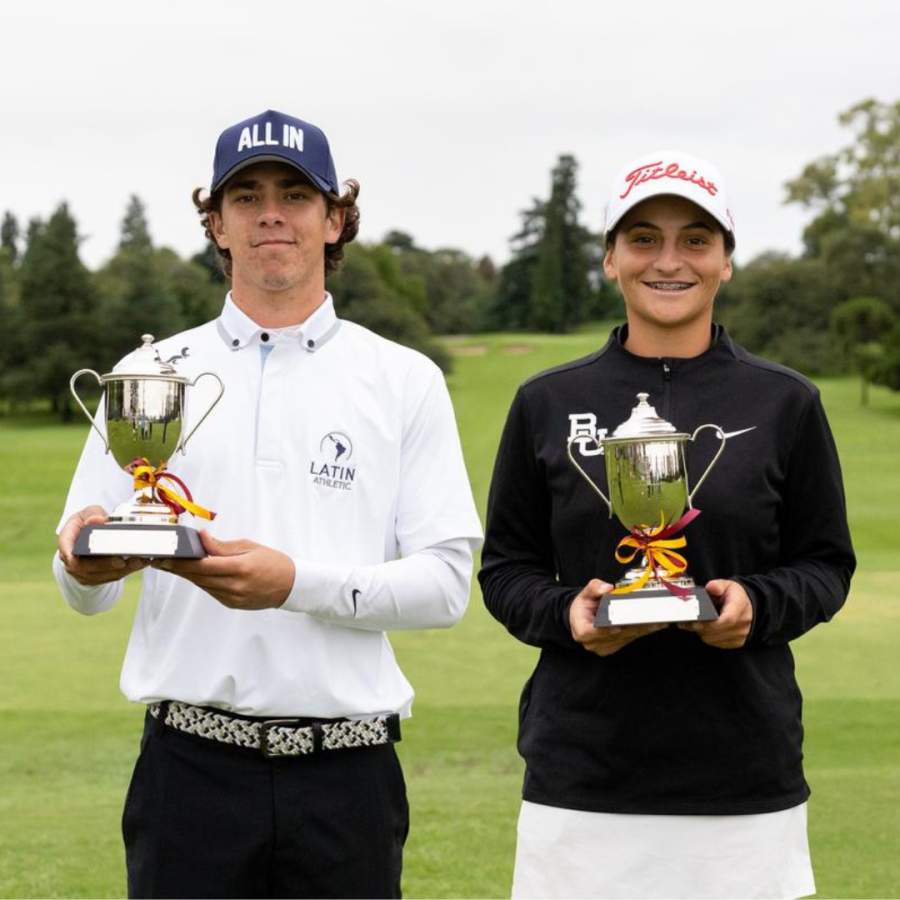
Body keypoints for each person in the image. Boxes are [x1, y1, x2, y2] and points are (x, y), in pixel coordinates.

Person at [54, 108, 483, 899]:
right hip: (188, 770)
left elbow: (445, 587)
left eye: (295, 193)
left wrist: (296, 585)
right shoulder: (151, 370)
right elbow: (86, 588)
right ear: (216, 224)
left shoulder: (403, 379)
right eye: (245, 196)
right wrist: (83, 562)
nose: (271, 213)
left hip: (348, 776)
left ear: (335, 218)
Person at [479, 150, 855, 899]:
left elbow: (825, 564)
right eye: (644, 238)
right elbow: (505, 571)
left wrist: (756, 606)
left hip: (742, 779)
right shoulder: (546, 401)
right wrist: (570, 612)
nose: (669, 260)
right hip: (581, 780)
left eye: (696, 240)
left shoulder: (785, 402)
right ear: (611, 259)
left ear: (725, 263)